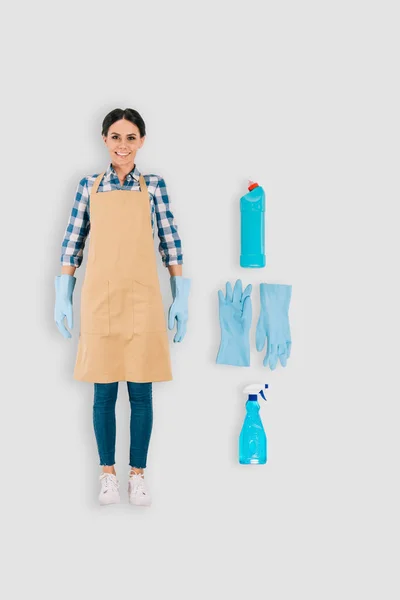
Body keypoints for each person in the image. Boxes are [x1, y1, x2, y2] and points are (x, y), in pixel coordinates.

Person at [54, 108, 191, 507]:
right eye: (116, 137)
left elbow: (170, 240)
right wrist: (63, 291)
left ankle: (138, 474)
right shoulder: (87, 187)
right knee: (103, 392)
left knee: (142, 392)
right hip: (100, 298)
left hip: (143, 299)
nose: (123, 145)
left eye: (131, 138)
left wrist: (179, 292)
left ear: (141, 141)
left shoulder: (154, 186)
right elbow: (72, 241)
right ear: (104, 139)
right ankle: (108, 475)